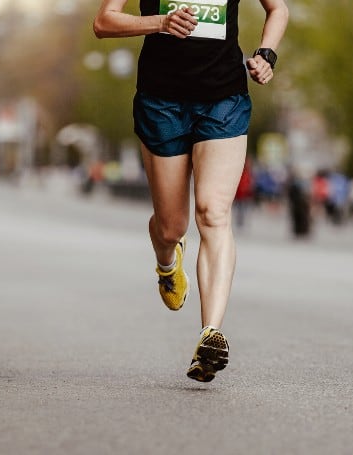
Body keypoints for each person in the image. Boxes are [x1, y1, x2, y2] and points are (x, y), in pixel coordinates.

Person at [94, 0, 289, 382]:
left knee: (213, 213)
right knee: (171, 226)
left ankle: (210, 334)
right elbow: (103, 22)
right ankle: (167, 263)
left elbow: (277, 9)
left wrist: (266, 53)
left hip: (224, 99)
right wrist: (160, 22)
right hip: (161, 101)